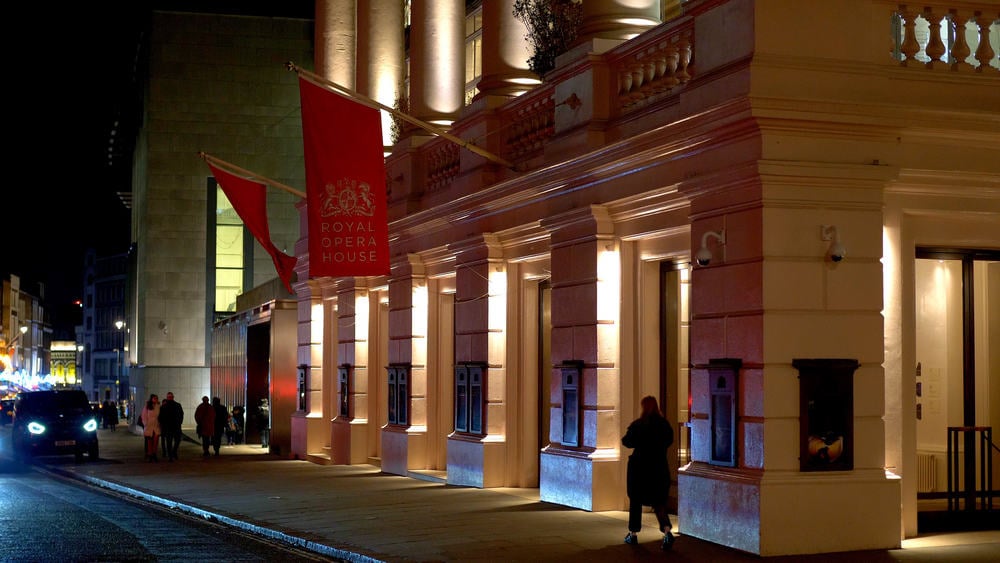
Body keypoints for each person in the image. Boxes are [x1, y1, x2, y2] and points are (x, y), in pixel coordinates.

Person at [621, 395, 675, 550]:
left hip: (640, 468)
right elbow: (669, 441)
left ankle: (633, 534)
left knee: (636, 501)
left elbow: (627, 441)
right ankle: (666, 532)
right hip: (658, 467)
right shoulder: (664, 425)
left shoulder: (639, 425)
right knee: (659, 502)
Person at [158, 392, 184, 461]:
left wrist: (179, 422)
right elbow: (161, 417)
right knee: (172, 441)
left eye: (170, 397)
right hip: (171, 427)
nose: (169, 398)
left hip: (172, 427)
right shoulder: (166, 406)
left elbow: (181, 415)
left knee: (173, 441)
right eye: (169, 397)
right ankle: (172, 454)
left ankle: (172, 453)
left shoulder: (166, 407)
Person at [139, 394, 161, 462]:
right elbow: (143, 415)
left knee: (156, 441)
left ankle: (154, 454)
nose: (155, 400)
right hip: (149, 425)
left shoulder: (158, 406)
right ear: (151, 399)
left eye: (156, 398)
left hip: (156, 425)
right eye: (154, 398)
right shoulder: (147, 406)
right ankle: (150, 455)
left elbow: (159, 415)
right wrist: (145, 423)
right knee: (149, 441)